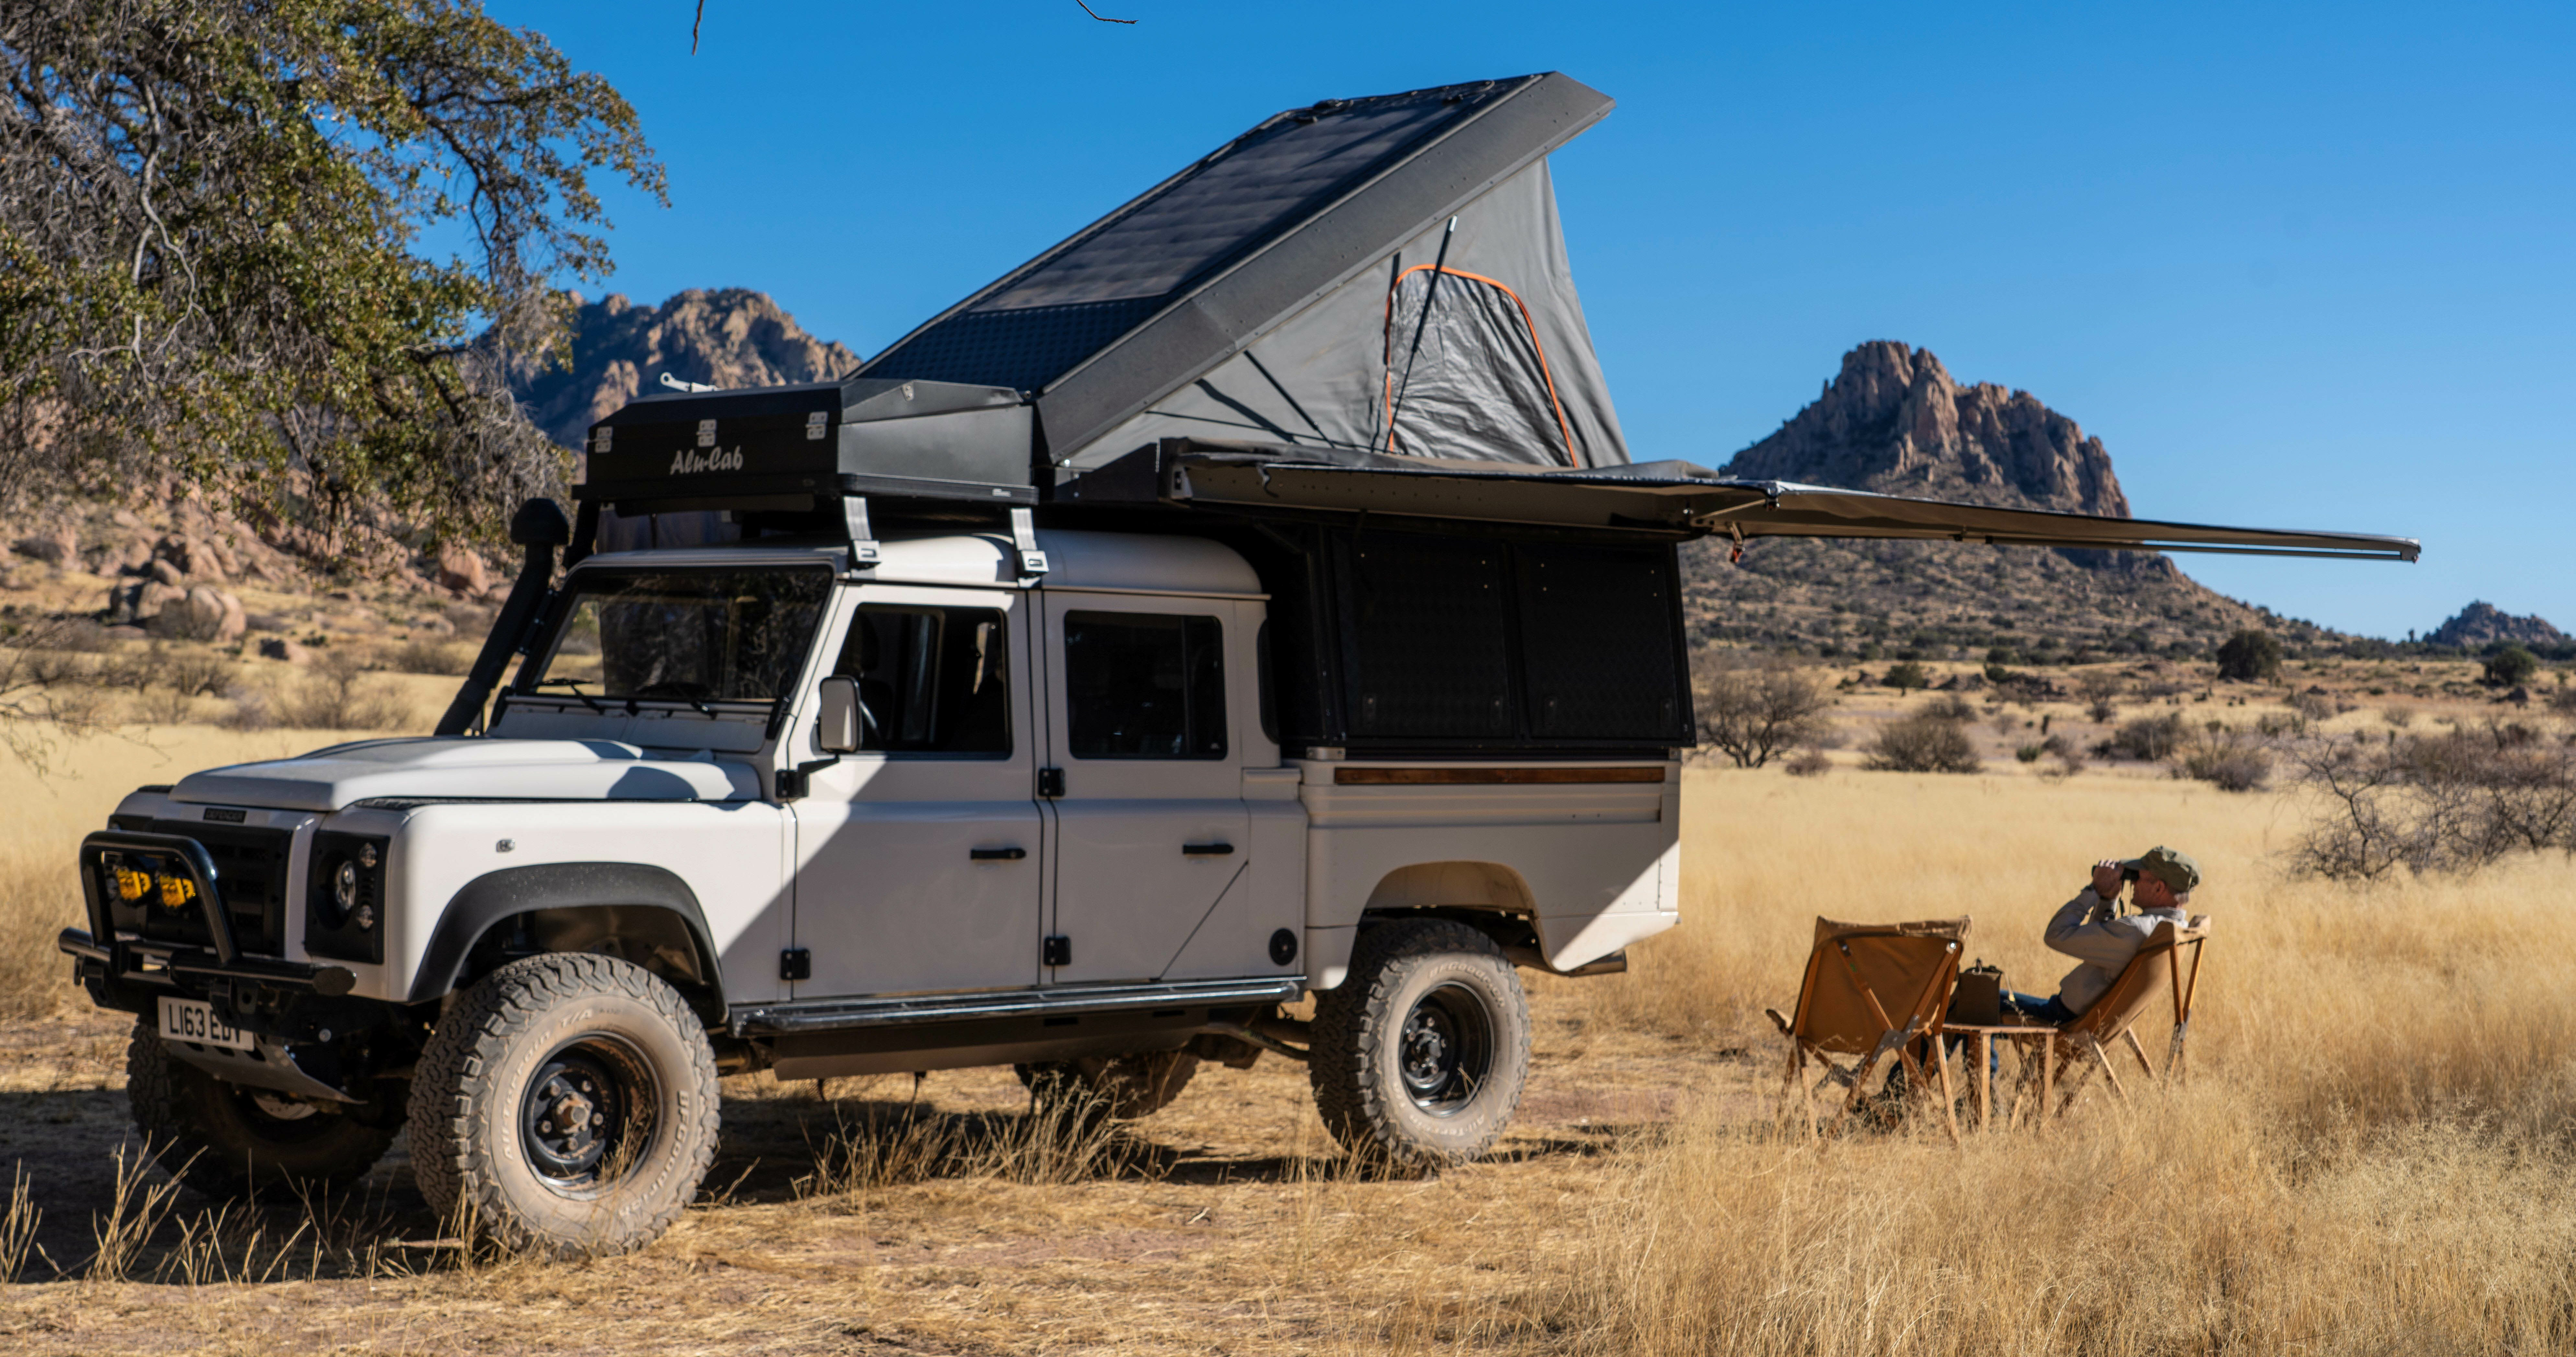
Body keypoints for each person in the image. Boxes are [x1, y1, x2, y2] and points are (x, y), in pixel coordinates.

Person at [2002, 846, 2200, 1025]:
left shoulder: (2135, 930)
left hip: (2064, 1020)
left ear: (2159, 888)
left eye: (2138, 877)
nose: (2133, 884)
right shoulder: (2175, 929)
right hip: (2095, 1022)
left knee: (1979, 1002)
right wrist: (2108, 899)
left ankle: (1985, 1067)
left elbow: (2056, 935)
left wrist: (2094, 890)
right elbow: (2097, 937)